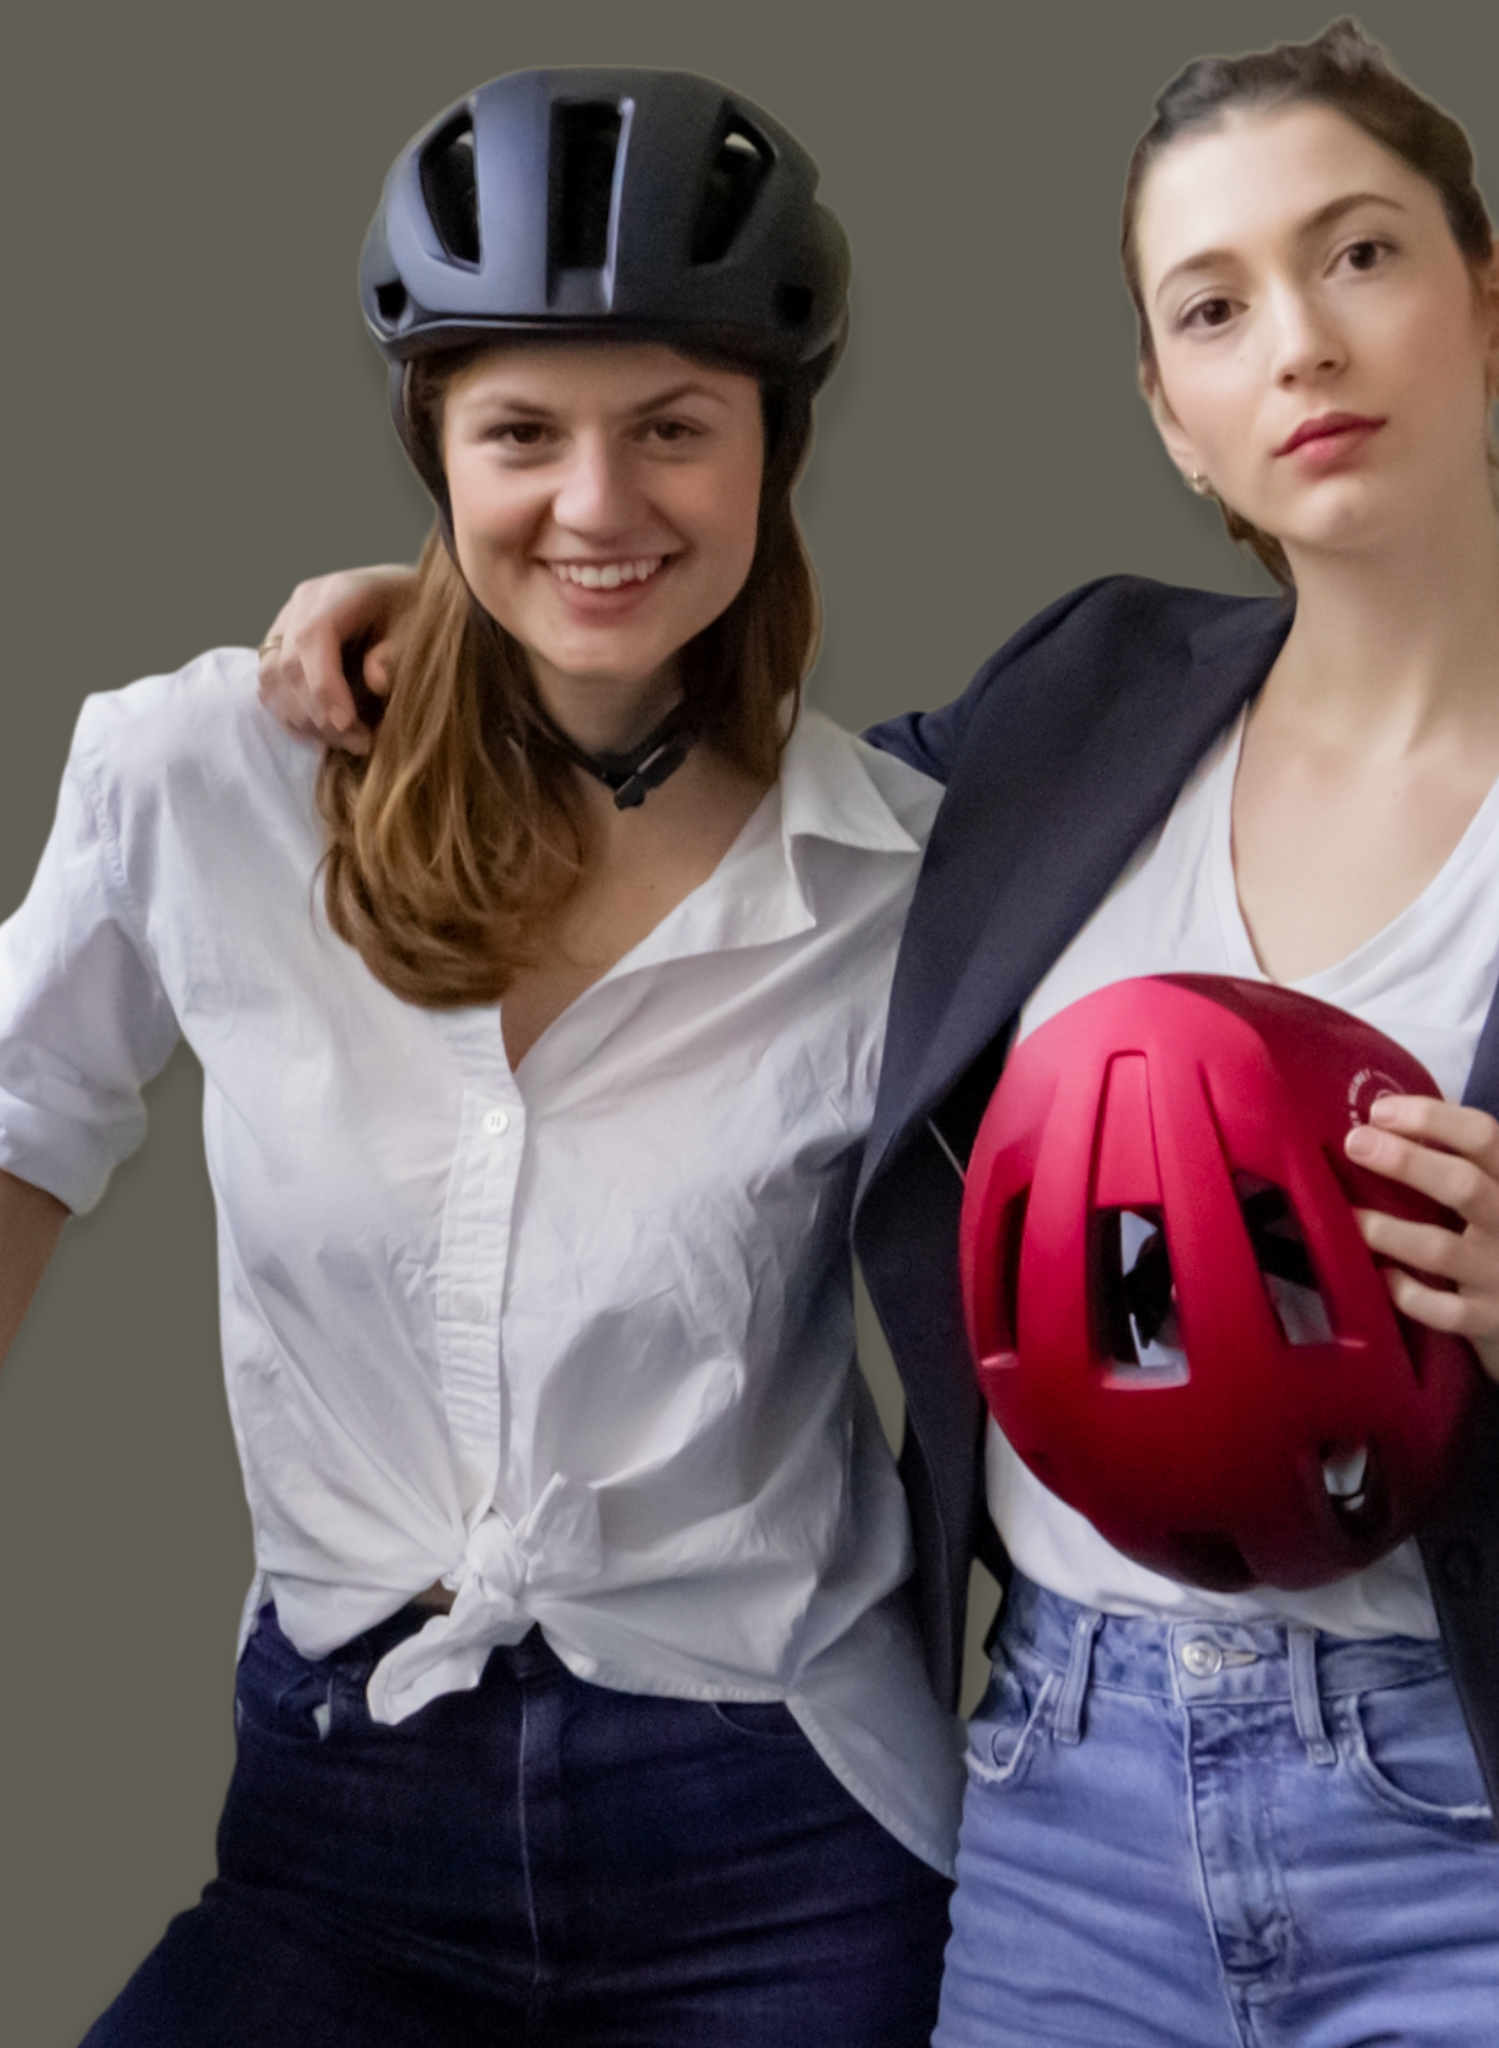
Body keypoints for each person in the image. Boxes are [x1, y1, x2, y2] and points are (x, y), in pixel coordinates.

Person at [263, 22, 1499, 2045]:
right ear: (1173, 415)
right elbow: (707, 811)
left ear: (1494, 302)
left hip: (1494, 1848)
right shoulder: (1081, 692)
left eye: (1359, 258)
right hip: (1056, 1807)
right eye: (1213, 305)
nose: (1299, 345)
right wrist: (465, 606)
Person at [0, 66, 961, 2047]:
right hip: (337, 1810)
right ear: (430, 446)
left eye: (672, 430)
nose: (599, 508)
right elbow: (17, 1134)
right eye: (522, 430)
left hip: (772, 1820)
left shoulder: (895, 878)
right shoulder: (204, 783)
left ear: (773, 448)